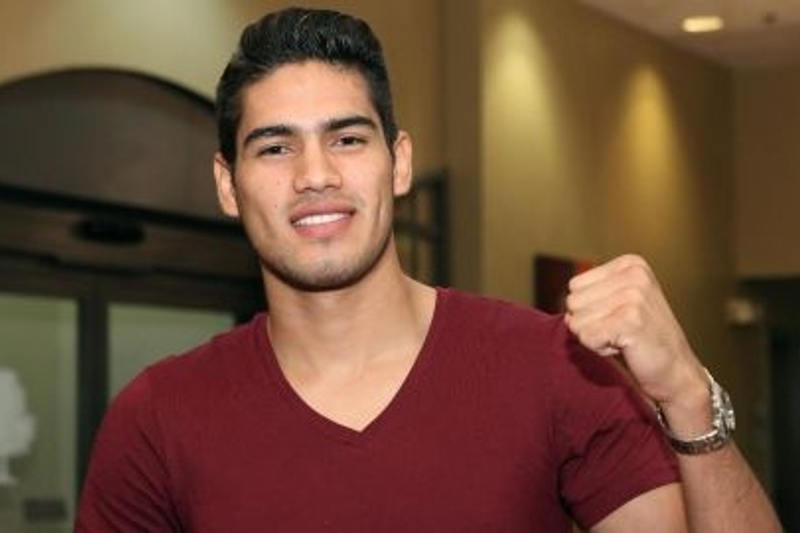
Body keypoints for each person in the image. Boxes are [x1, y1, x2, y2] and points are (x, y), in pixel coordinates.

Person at [75, 7, 782, 532]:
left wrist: (687, 392)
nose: (315, 175)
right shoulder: (158, 417)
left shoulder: (553, 369)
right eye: (275, 148)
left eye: (348, 139)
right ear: (228, 186)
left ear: (400, 162)